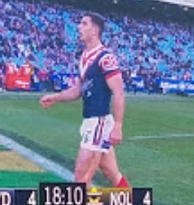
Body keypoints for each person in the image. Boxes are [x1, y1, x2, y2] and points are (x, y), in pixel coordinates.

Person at [40, 13, 129, 188]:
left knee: (81, 177)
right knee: (111, 172)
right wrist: (55, 97)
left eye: (84, 23)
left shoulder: (106, 58)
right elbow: (78, 90)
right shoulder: (84, 57)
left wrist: (118, 126)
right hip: (91, 121)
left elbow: (118, 92)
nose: (79, 27)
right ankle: (133, 204)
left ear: (95, 30)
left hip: (99, 121)